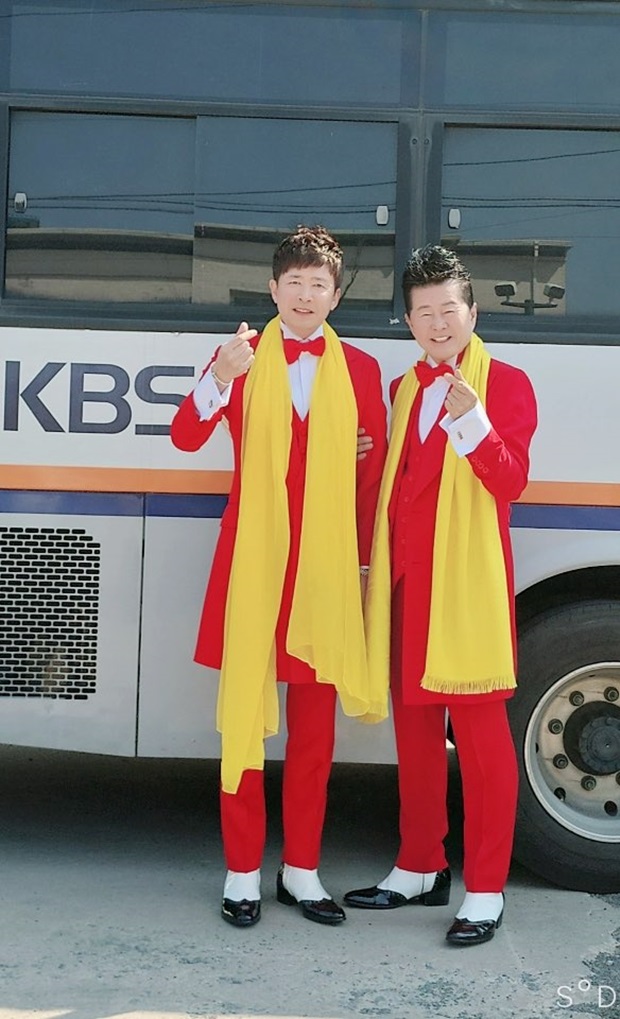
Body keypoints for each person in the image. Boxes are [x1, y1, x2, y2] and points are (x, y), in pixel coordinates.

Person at [170, 225, 388, 929]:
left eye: (318, 285)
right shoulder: (238, 356)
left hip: (323, 570)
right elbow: (184, 436)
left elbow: (370, 478)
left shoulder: (360, 370)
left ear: (335, 294)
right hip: (254, 566)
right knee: (242, 723)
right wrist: (219, 377)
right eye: (293, 283)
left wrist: (362, 562)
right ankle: (240, 873)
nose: (304, 295)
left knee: (315, 735)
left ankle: (302, 871)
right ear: (272, 289)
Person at [344, 245, 538, 946]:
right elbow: (395, 488)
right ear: (408, 320)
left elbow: (510, 482)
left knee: (483, 744)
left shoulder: (506, 384)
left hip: (466, 589)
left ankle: (485, 888)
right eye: (423, 312)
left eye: (448, 310)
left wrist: (473, 421)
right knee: (416, 737)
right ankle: (420, 864)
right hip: (404, 585)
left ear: (472, 313)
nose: (437, 323)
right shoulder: (402, 388)